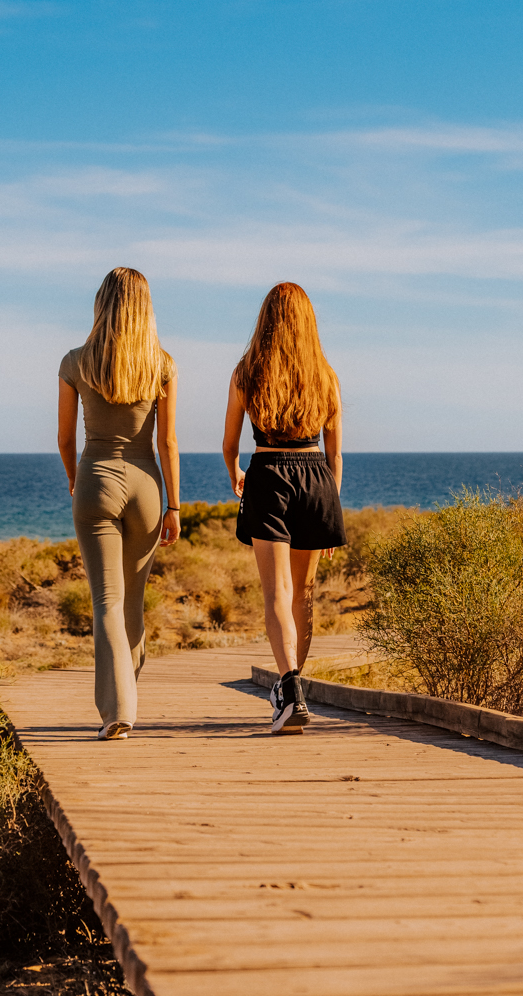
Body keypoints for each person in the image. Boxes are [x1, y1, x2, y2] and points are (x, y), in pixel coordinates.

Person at [58, 267, 180, 741]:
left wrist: (75, 479)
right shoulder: (162, 364)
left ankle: (117, 709)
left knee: (106, 600)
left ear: (101, 303)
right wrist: (174, 505)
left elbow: (66, 439)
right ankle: (126, 696)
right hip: (147, 483)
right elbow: (168, 442)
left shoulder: (75, 362)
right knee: (133, 602)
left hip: (95, 477)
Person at [223, 282, 345, 735]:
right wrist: (331, 509)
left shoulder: (246, 372)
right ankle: (294, 689)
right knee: (303, 594)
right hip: (316, 479)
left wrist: (236, 472)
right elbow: (335, 456)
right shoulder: (327, 376)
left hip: (268, 474)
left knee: (277, 592)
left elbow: (230, 444)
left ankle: (289, 687)